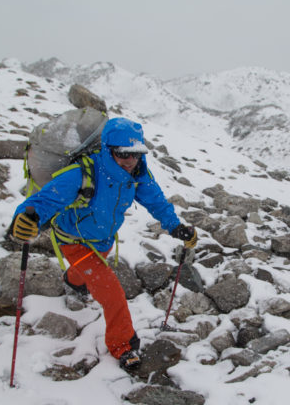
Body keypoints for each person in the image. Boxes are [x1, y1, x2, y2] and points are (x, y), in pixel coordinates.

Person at [10, 117, 197, 368]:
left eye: (136, 153)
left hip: (102, 240)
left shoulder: (138, 173)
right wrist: (24, 220)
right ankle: (123, 346)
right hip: (74, 241)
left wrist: (176, 226)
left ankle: (73, 280)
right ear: (108, 150)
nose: (130, 160)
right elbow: (45, 200)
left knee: (85, 274)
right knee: (112, 293)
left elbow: (156, 201)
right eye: (123, 153)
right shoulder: (82, 173)